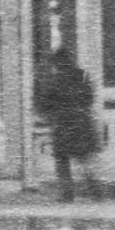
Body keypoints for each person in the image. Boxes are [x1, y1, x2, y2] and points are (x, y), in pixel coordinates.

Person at [37, 44, 100, 200]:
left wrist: (49, 116)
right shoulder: (83, 76)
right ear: (71, 60)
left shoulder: (54, 80)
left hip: (62, 124)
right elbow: (90, 98)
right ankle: (95, 190)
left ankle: (67, 193)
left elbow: (45, 104)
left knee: (62, 160)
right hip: (81, 122)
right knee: (84, 158)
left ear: (57, 63)